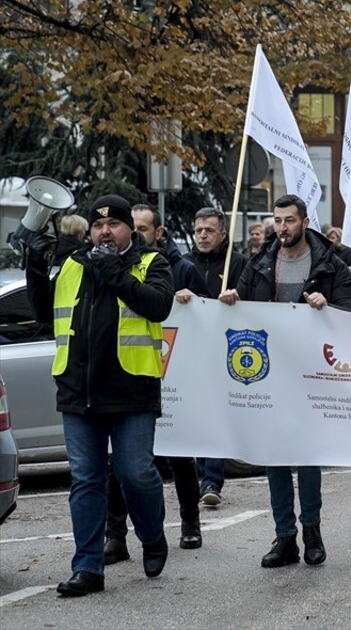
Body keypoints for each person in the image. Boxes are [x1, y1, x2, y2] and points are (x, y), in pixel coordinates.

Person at [25, 194, 174, 596]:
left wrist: (116, 275)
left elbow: (158, 306)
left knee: (136, 474)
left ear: (129, 229)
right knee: (86, 480)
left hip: (131, 391)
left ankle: (151, 535)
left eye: (113, 225)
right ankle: (87, 567)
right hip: (78, 391)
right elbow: (44, 312)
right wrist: (35, 267)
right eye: (97, 226)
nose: (104, 231)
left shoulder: (151, 263)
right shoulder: (75, 265)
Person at [219, 194, 351, 569]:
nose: (282, 228)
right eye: (277, 220)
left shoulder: (330, 264)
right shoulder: (260, 261)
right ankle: (285, 536)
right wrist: (230, 298)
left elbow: (350, 311)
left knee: (307, 454)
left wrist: (326, 306)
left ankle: (312, 530)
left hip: (312, 372)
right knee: (275, 454)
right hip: (269, 372)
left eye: (289, 221)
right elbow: (240, 305)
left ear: (304, 221)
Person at [95, 205, 206, 563]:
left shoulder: (179, 267)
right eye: (135, 226)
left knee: (177, 451)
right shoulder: (108, 261)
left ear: (157, 232)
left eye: (143, 228)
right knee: (121, 464)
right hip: (135, 369)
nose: (136, 233)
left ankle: (189, 521)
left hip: (177, 367)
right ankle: (116, 534)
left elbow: (209, 315)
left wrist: (193, 300)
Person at [182, 206, 248, 505]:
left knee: (216, 414)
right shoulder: (183, 265)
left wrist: (235, 297)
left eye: (210, 230)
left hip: (226, 348)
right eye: (199, 230)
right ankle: (196, 474)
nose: (203, 235)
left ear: (223, 234)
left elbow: (252, 299)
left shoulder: (238, 264)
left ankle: (212, 481)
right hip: (191, 349)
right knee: (193, 415)